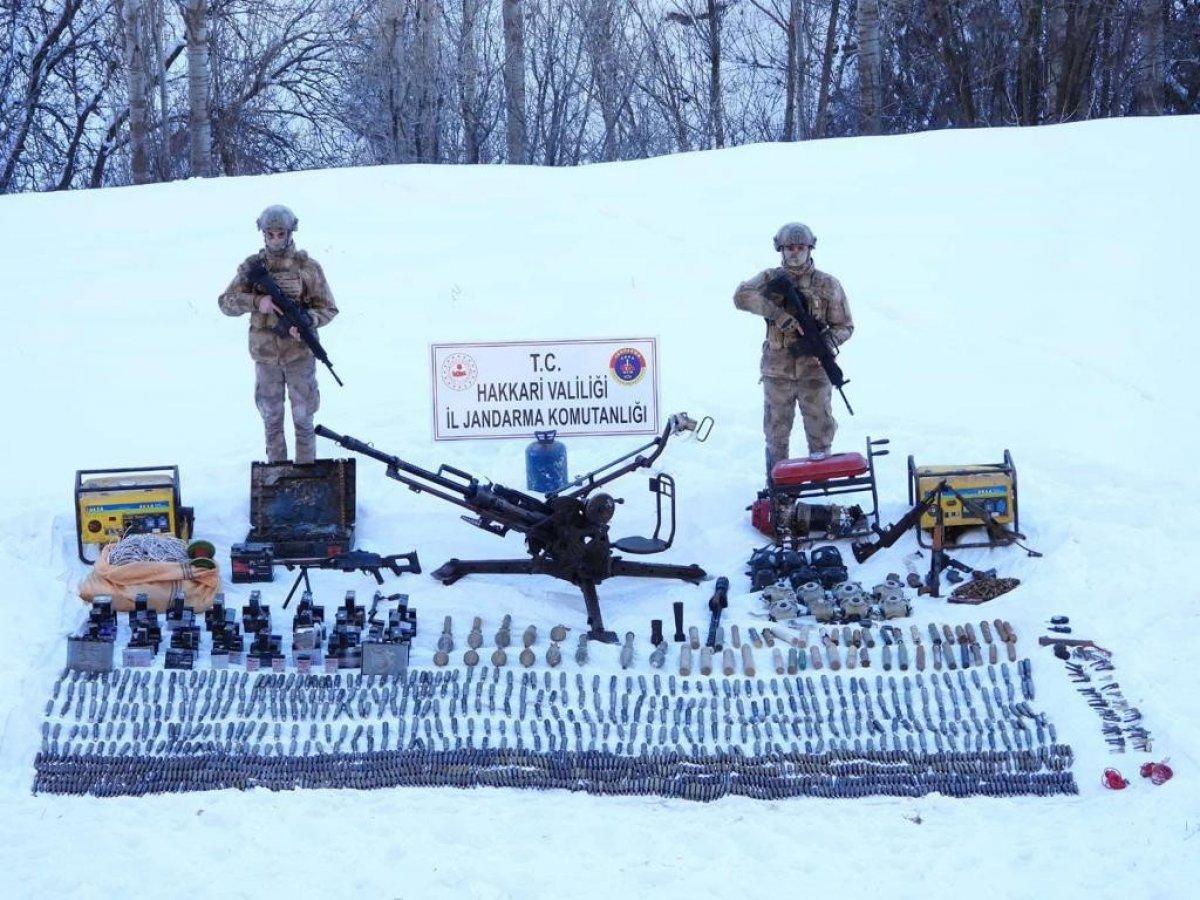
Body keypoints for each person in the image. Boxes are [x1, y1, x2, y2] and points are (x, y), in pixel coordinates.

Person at [733, 222, 854, 480]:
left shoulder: (828, 284)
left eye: (801, 247)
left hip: (814, 371)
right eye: (790, 247)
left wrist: (823, 343)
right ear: (780, 249)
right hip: (777, 371)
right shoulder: (769, 279)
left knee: (820, 432)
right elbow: (741, 297)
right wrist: (778, 315)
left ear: (810, 248)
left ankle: (820, 485)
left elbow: (845, 326)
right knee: (776, 434)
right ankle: (779, 488)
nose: (795, 253)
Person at [218, 205, 338, 464]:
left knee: (303, 418)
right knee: (271, 419)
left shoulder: (308, 268)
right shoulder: (251, 268)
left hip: (299, 355)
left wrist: (309, 320)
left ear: (290, 233)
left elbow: (328, 308)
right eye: (270, 234)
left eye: (280, 234)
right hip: (266, 358)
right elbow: (225, 303)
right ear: (263, 234)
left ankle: (306, 475)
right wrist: (255, 302)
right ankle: (275, 475)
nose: (275, 239)